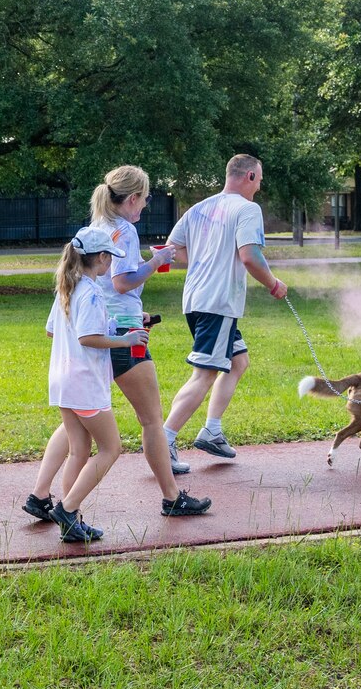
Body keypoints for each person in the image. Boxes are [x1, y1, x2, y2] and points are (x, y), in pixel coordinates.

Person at [22, 167, 211, 522]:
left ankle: (41, 493)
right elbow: (123, 282)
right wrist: (156, 261)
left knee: (78, 420)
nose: (146, 205)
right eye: (147, 197)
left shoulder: (93, 229)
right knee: (151, 419)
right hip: (120, 333)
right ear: (134, 198)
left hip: (94, 332)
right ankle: (170, 497)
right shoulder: (123, 229)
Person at [161, 153, 288, 465]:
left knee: (238, 362)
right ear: (248, 177)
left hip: (197, 300)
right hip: (217, 303)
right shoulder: (248, 209)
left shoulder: (199, 208)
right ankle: (163, 442)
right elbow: (250, 256)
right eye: (259, 179)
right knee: (203, 375)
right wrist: (273, 283)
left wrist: (205, 261)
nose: (259, 186)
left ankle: (212, 432)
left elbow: (171, 249)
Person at [25, 227, 141, 543]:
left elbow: (54, 331)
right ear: (100, 258)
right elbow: (87, 337)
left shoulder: (68, 287)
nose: (110, 266)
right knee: (111, 448)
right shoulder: (90, 291)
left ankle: (71, 517)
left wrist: (110, 326)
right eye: (109, 259)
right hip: (85, 382)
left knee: (79, 450)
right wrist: (124, 339)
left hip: (64, 380)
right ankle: (67, 508)